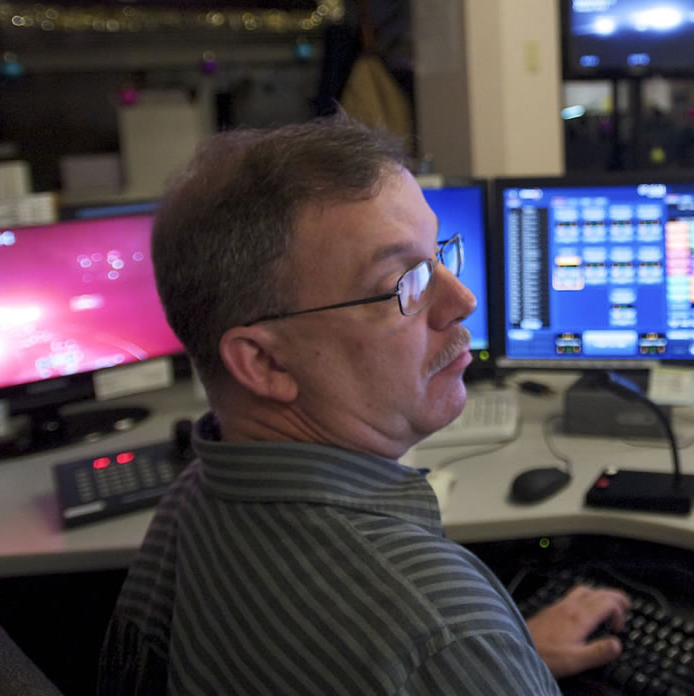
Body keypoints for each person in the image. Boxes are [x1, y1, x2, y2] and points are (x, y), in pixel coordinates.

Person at [97, 116, 629, 695]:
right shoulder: (443, 632)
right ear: (264, 363)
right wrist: (477, 663)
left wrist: (506, 659)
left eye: (439, 255)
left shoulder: (193, 500)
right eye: (404, 281)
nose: (462, 301)